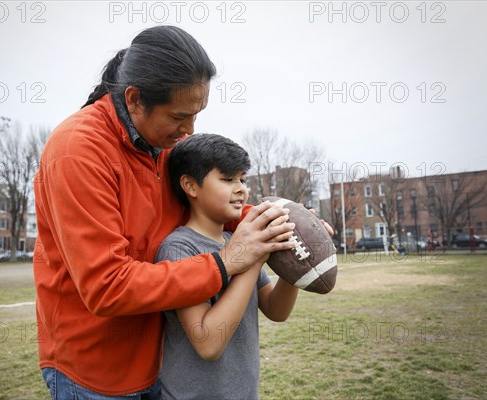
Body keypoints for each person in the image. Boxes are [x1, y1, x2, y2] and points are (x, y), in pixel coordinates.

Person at [33, 25, 298, 399]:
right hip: (93, 371)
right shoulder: (78, 149)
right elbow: (107, 286)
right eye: (178, 116)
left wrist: (283, 222)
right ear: (135, 99)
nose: (189, 130)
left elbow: (213, 200)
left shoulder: (166, 144)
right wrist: (227, 261)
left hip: (157, 363)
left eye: (196, 114)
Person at [155, 134, 300, 399]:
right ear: (190, 185)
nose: (241, 189)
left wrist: (296, 263)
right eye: (227, 179)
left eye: (243, 179)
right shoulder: (179, 248)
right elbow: (207, 343)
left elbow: (276, 310)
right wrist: (253, 258)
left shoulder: (236, 240)